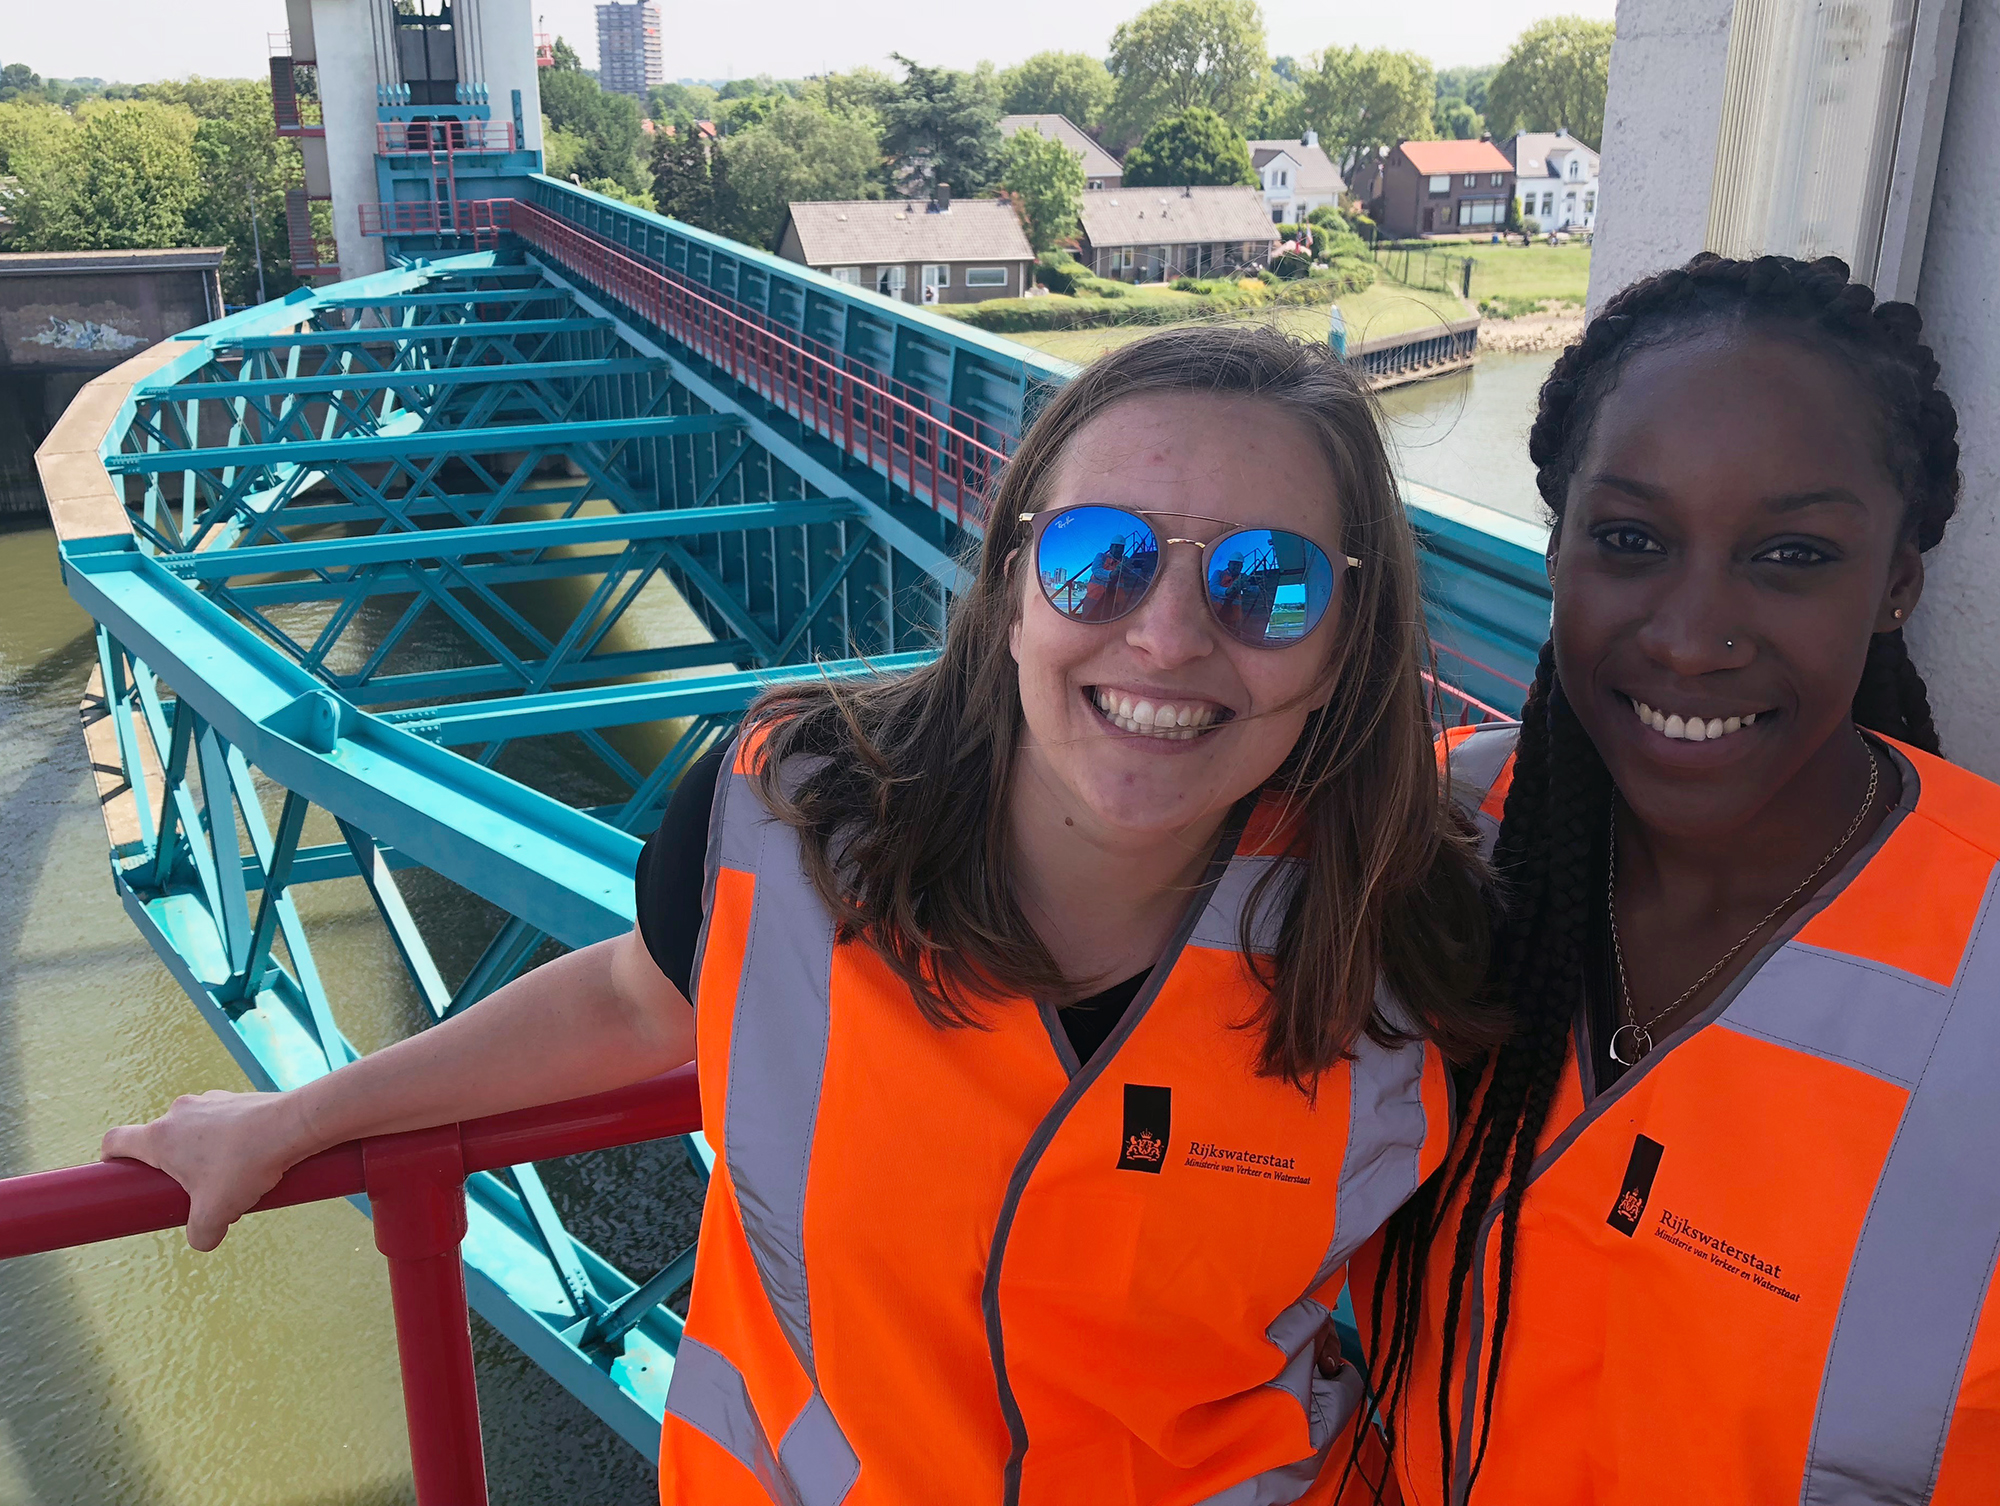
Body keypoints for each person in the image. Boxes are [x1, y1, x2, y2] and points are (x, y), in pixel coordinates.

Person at [104, 325, 1501, 1503]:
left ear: (1339, 653)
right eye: (1101, 557)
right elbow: (632, 999)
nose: (1170, 635)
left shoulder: (1413, 924)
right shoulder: (795, 821)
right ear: (1014, 588)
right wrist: (300, 1116)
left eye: (1269, 584)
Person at [1354, 252, 1998, 1505]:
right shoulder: (1422, 845)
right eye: (1631, 540)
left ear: (1896, 585)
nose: (1690, 636)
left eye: (1792, 555)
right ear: (1558, 554)